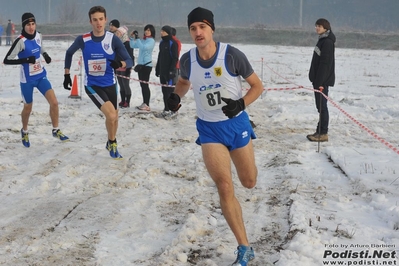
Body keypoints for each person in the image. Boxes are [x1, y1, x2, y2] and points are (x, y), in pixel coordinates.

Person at [167, 7, 263, 266]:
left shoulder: (231, 55)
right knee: (224, 185)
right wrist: (177, 96)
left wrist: (240, 105)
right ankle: (244, 247)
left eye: (202, 27)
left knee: (249, 181)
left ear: (211, 29)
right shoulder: (188, 60)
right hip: (209, 129)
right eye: (193, 28)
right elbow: (185, 82)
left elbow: (257, 86)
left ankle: (248, 170)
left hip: (236, 124)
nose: (198, 32)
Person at [63, 6, 133, 159]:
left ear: (106, 20)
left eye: (101, 19)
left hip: (110, 84)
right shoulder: (83, 39)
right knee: (111, 115)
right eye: (95, 20)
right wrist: (67, 74)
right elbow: (69, 53)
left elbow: (129, 60)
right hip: (92, 85)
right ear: (90, 22)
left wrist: (119, 64)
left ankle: (111, 141)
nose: (98, 23)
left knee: (114, 117)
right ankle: (113, 142)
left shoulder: (112, 39)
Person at [3, 12, 69, 148]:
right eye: (28, 25)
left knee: (54, 103)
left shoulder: (39, 35)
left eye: (33, 24)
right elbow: (7, 60)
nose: (31, 27)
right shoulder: (20, 41)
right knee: (28, 108)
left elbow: (40, 46)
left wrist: (45, 54)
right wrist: (26, 60)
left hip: (40, 76)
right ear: (24, 25)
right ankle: (25, 131)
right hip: (27, 80)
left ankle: (56, 130)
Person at [307, 18, 335, 142]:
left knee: (322, 107)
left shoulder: (327, 43)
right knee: (320, 107)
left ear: (326, 28)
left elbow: (325, 64)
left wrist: (319, 81)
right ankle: (319, 131)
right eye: (316, 25)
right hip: (318, 80)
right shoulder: (322, 41)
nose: (317, 28)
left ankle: (323, 133)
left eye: (319, 26)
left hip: (321, 82)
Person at [129, 24, 155, 112]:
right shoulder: (144, 40)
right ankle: (144, 102)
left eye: (148, 30)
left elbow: (143, 48)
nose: (146, 32)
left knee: (145, 85)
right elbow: (133, 46)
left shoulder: (151, 41)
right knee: (142, 85)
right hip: (141, 66)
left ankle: (147, 104)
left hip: (147, 65)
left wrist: (138, 39)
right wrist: (132, 38)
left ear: (152, 32)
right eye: (145, 30)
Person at [155, 25, 178, 119]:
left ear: (168, 32)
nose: (161, 32)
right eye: (161, 31)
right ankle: (166, 109)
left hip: (170, 72)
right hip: (163, 72)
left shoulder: (172, 43)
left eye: (163, 31)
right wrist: (157, 69)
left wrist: (172, 70)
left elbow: (175, 58)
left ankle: (174, 110)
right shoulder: (161, 43)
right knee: (164, 91)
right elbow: (160, 56)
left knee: (170, 92)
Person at [114, 26, 134, 108]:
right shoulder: (117, 43)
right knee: (121, 84)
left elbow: (131, 56)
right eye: (116, 33)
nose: (116, 34)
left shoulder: (127, 43)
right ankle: (122, 100)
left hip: (125, 66)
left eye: (118, 33)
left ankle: (127, 101)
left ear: (123, 34)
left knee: (126, 84)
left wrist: (129, 67)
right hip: (118, 66)